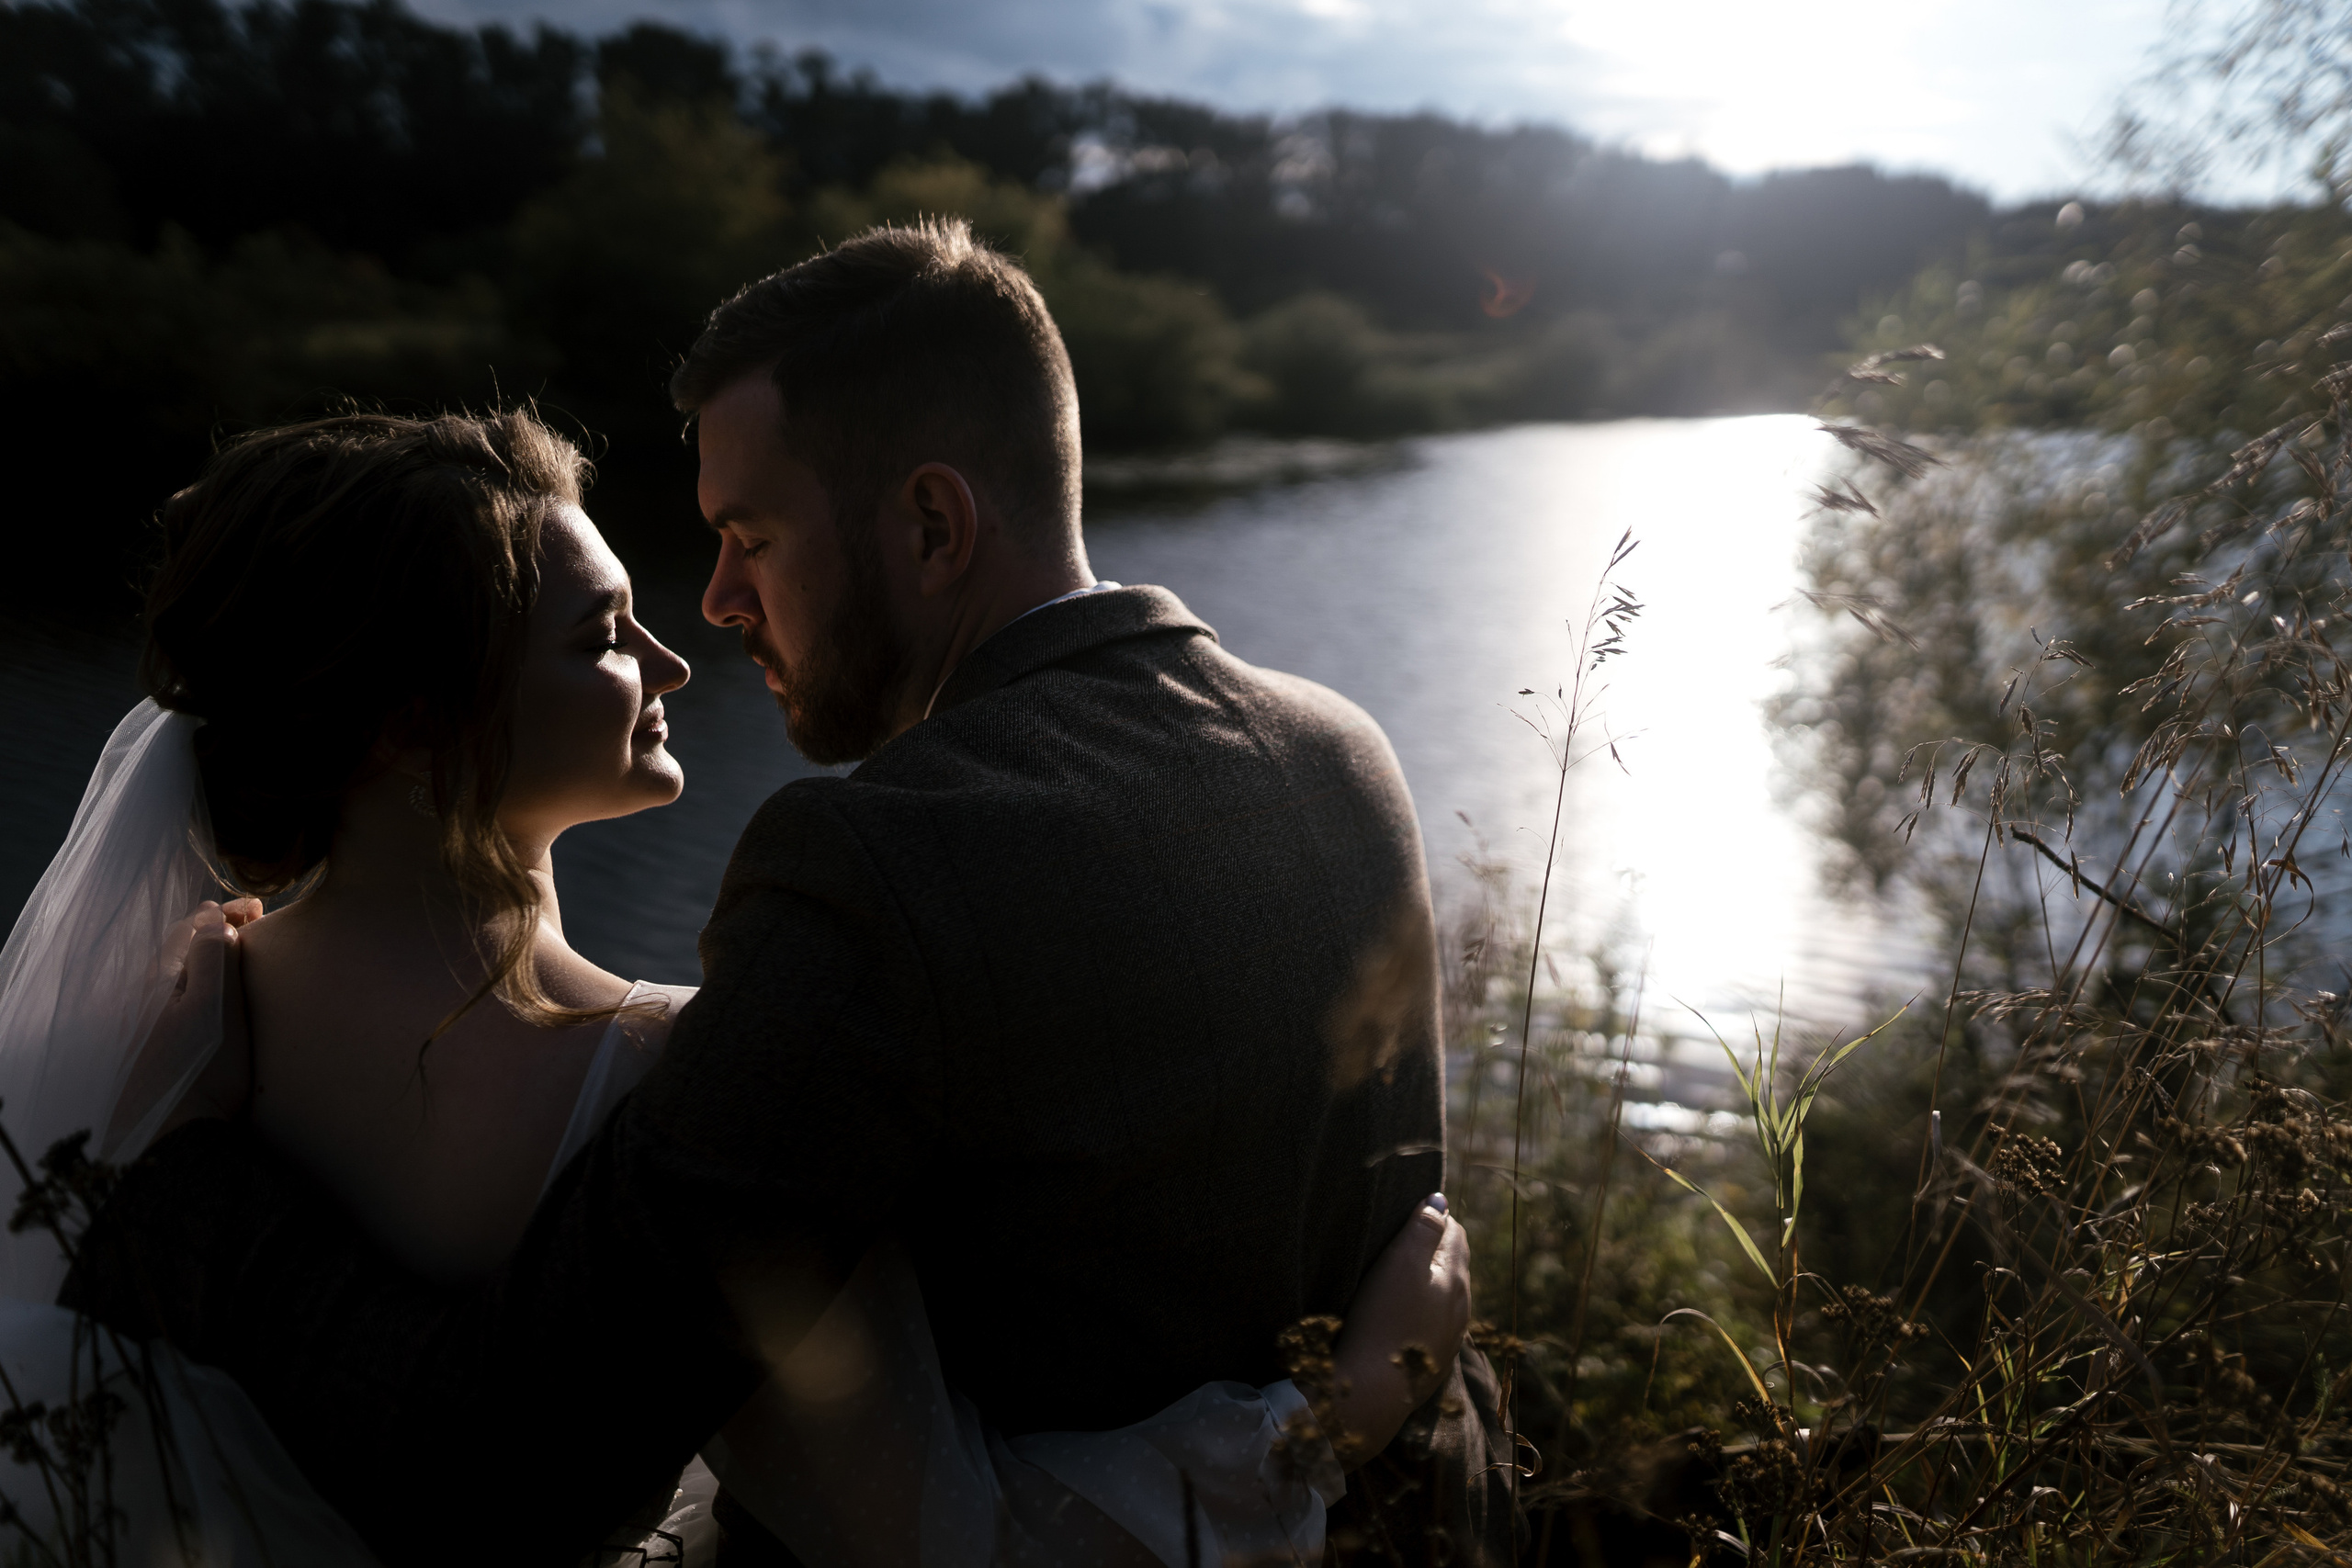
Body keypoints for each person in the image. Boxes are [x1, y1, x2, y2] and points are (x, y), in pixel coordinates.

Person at [57, 219, 1521, 1565]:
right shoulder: (1347, 755)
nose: (720, 602)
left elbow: (510, 1464)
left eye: (752, 538)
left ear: (933, 527)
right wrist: (1356, 1412)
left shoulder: (880, 863)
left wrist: (185, 1202)